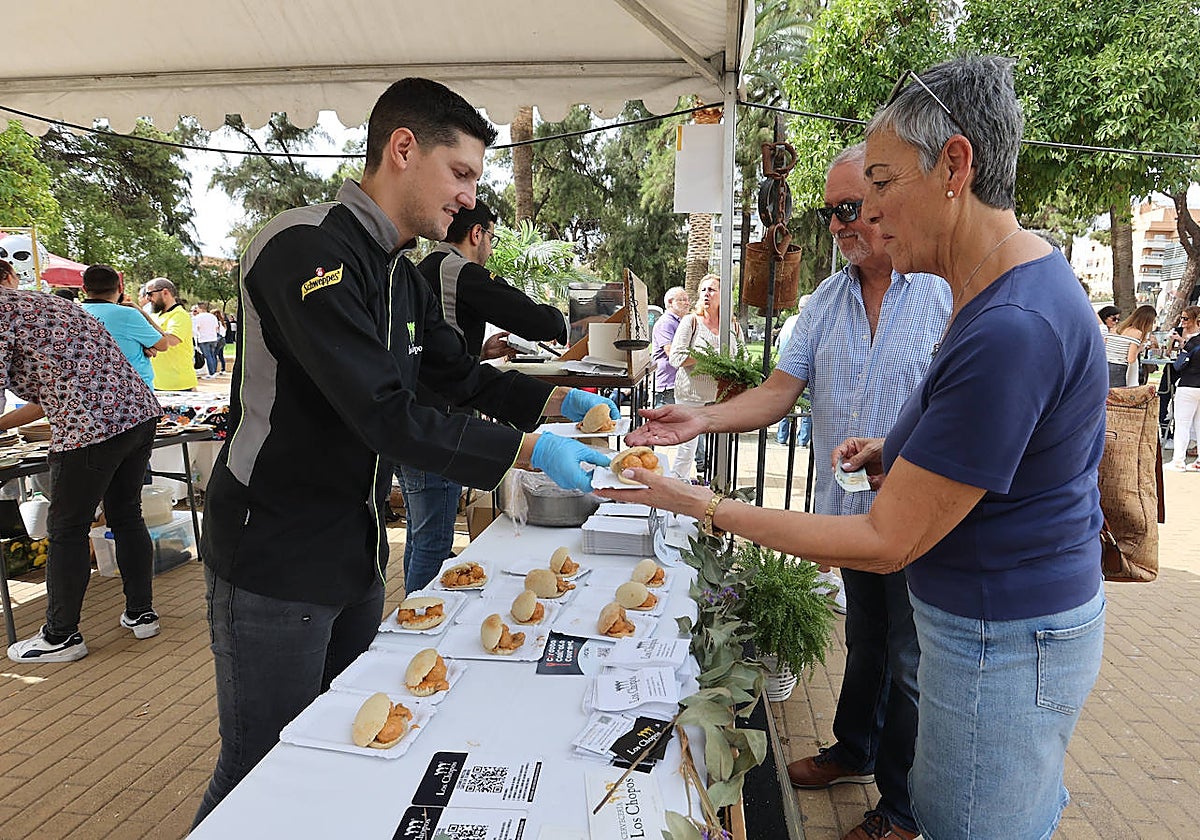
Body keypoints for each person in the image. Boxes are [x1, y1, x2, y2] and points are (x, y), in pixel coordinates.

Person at [602, 56, 1107, 840]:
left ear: (954, 167)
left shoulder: (1007, 324)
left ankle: (895, 806)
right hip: (989, 616)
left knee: (970, 820)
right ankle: (864, 758)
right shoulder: (997, 286)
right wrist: (894, 451)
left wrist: (702, 503)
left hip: (999, 635)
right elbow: (969, 435)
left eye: (878, 184)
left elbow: (885, 537)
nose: (864, 214)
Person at [193, 77, 615, 825]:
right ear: (402, 148)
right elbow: (384, 414)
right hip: (274, 552)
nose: (469, 198)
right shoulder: (305, 248)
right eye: (461, 174)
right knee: (258, 768)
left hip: (354, 550)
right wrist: (528, 451)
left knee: (342, 739)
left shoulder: (401, 274)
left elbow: (459, 377)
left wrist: (562, 402)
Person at [627, 144, 953, 840]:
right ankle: (855, 750)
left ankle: (902, 808)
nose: (836, 225)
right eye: (829, 212)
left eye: (850, 208)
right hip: (848, 516)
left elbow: (959, 406)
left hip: (918, 518)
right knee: (865, 639)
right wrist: (700, 418)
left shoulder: (939, 291)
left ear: (886, 201)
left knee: (909, 662)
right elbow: (778, 393)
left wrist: (902, 449)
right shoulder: (826, 302)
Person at [397, 199, 569, 593]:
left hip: (411, 418)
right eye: (491, 237)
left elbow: (432, 353)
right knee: (434, 540)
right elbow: (528, 316)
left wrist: (477, 352)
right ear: (477, 233)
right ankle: (421, 615)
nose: (490, 247)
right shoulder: (456, 269)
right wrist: (560, 321)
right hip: (438, 424)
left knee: (421, 534)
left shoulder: (423, 270)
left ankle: (412, 605)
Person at [1, 259, 164, 664]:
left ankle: (61, 635)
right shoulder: (47, 304)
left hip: (91, 427)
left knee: (67, 528)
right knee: (126, 514)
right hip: (137, 413)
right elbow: (57, 388)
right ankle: (142, 613)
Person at [668, 273, 741, 480]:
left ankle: (717, 490)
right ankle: (676, 487)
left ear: (723, 295)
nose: (706, 294)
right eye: (703, 290)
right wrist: (709, 357)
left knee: (721, 450)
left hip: (722, 398)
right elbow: (676, 357)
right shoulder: (691, 322)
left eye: (712, 290)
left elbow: (742, 359)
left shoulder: (733, 326)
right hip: (691, 396)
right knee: (686, 449)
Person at [79, 264, 180, 389]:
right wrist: (141, 312)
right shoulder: (128, 314)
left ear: (84, 289)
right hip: (132, 390)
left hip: (92, 388)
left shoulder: (74, 314)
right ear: (120, 288)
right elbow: (163, 344)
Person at [144, 278, 198, 391]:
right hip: (156, 383)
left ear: (165, 292)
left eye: (150, 294)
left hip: (178, 385)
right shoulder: (155, 316)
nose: (147, 298)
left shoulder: (179, 315)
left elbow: (172, 340)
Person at [773, 293, 812, 447]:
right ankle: (803, 440)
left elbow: (777, 344)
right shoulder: (811, 322)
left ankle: (782, 437)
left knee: (786, 405)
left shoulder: (790, 321)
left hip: (786, 369)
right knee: (806, 406)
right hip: (806, 370)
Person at [1167, 306, 1200, 471]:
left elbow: (1178, 365)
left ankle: (1178, 461)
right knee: (1199, 424)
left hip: (1188, 384)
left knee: (1182, 424)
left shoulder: (1193, 342)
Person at [651, 286, 691, 408]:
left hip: (677, 385)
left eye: (687, 299)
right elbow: (671, 353)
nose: (687, 303)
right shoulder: (666, 323)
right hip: (668, 386)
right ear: (670, 302)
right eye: (682, 300)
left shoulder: (680, 322)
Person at [1104, 304, 1156, 388]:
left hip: (1104, 365)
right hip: (1119, 368)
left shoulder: (1116, 328)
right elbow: (1131, 359)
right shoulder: (1137, 333)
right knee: (1118, 395)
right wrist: (1140, 349)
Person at [192, 302, 222, 379]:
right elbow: (216, 327)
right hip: (213, 338)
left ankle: (211, 373)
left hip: (204, 339)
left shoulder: (197, 317)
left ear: (200, 308)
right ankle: (213, 371)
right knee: (212, 355)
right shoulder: (212, 317)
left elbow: (195, 329)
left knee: (208, 356)